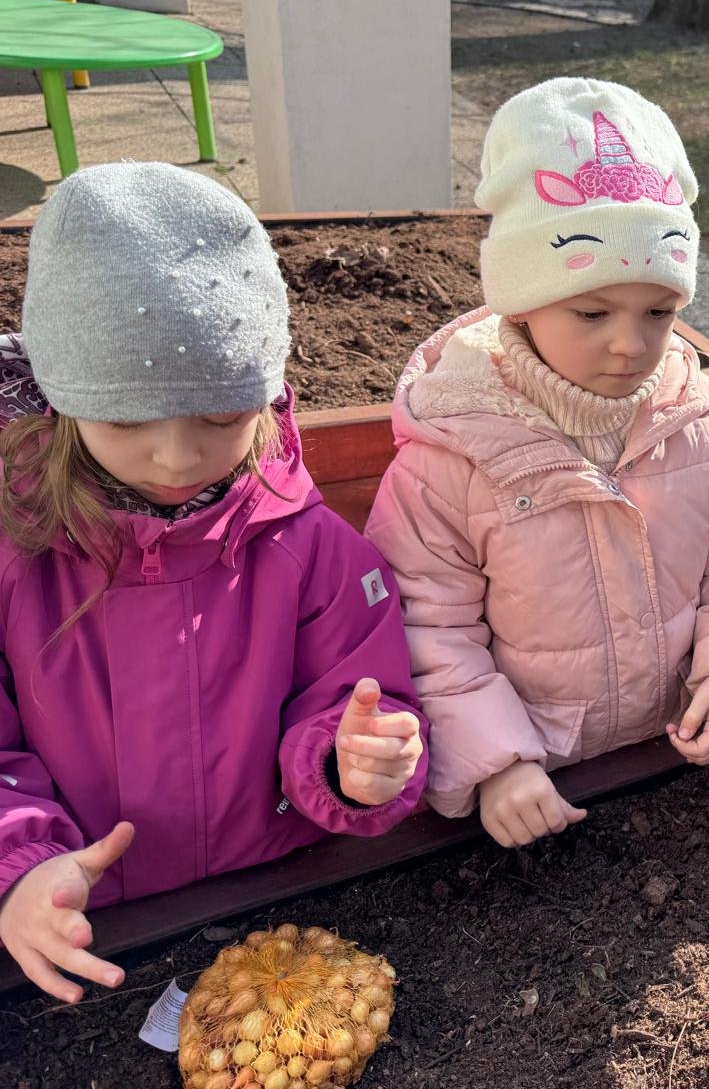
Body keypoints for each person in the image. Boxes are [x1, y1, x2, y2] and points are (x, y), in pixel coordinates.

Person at [0, 163, 426, 1003]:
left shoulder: (316, 550)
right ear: (61, 397)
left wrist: (352, 765)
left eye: (221, 416)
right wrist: (21, 868)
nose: (175, 454)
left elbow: (357, 698)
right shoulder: (19, 551)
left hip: (279, 897)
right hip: (80, 926)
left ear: (263, 396)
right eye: (125, 418)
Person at [365, 79, 709, 848]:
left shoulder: (705, 417)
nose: (631, 345)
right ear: (520, 299)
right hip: (534, 781)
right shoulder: (453, 454)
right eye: (592, 312)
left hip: (666, 762)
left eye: (660, 312)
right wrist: (496, 761)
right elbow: (426, 626)